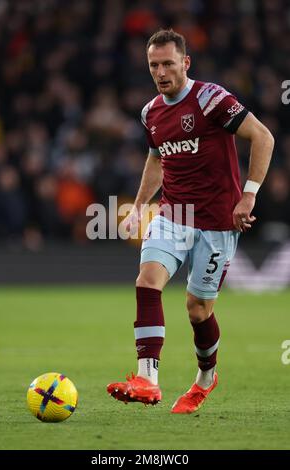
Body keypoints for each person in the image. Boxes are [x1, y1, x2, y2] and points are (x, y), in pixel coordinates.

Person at [107, 29, 274, 413]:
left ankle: (206, 376)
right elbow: (156, 158)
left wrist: (248, 194)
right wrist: (138, 205)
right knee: (147, 281)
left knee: (198, 309)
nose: (161, 72)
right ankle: (147, 379)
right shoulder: (151, 112)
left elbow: (263, 137)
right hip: (174, 213)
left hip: (217, 221)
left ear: (186, 62)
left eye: (168, 63)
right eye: (153, 65)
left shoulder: (211, 99)